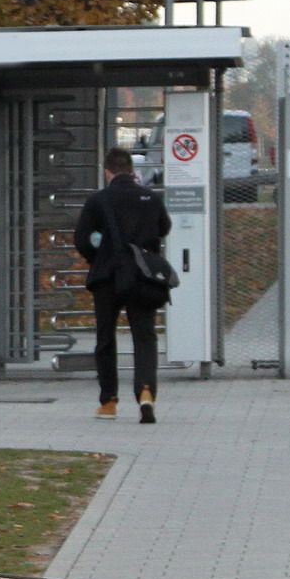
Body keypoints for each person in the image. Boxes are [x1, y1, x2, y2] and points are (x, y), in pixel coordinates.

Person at [74, 148, 172, 425]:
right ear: (131, 170)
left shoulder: (98, 200)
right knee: (145, 336)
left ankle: (108, 402)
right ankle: (145, 392)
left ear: (108, 172)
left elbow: (81, 239)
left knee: (106, 338)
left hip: (107, 277)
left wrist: (99, 257)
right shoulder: (150, 198)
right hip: (141, 276)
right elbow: (164, 228)